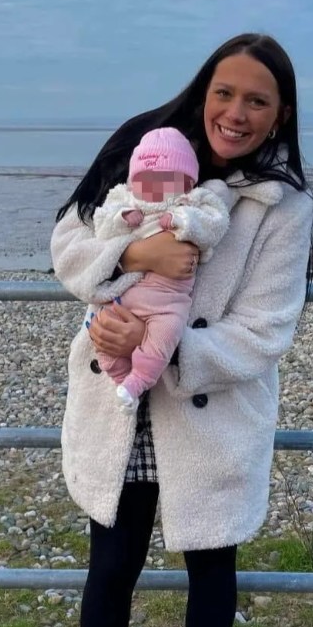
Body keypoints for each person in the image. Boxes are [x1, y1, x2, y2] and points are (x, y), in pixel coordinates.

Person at [51, 32, 313, 627]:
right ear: (204, 90)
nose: (236, 112)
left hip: (206, 409)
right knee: (112, 566)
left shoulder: (281, 204)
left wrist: (162, 351)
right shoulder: (143, 145)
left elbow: (265, 331)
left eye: (257, 100)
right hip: (119, 399)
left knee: (211, 569)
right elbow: (68, 236)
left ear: (280, 114)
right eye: (225, 92)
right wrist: (136, 260)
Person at [85, 126, 232, 412]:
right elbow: (101, 224)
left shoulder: (191, 202)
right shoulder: (124, 199)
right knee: (102, 333)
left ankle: (137, 380)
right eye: (147, 179)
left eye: (168, 179)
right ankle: (120, 380)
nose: (157, 187)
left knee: (164, 334)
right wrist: (123, 219)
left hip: (169, 299)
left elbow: (214, 224)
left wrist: (181, 221)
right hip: (125, 293)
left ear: (187, 182)